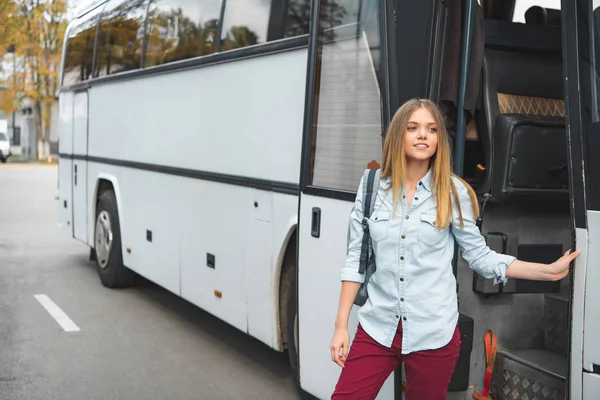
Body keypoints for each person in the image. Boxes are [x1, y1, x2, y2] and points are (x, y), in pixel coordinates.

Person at [329, 99, 580, 400]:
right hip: (378, 327)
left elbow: (481, 258)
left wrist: (547, 271)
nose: (423, 135)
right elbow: (355, 261)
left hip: (434, 333)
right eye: (413, 128)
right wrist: (341, 325)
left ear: (439, 140)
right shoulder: (371, 187)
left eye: (431, 129)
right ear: (398, 134)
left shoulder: (454, 192)